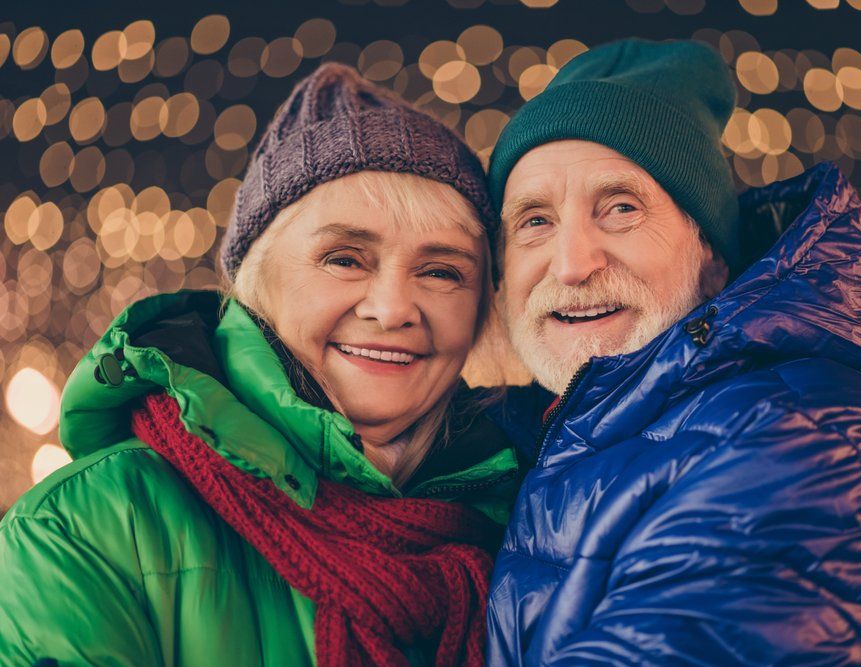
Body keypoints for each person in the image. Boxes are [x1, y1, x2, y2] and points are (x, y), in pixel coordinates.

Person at [484, 39, 861, 665]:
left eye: (620, 209)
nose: (571, 264)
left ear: (712, 255)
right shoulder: (552, 438)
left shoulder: (793, 441)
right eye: (534, 221)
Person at [0, 63, 522, 666]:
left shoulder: (527, 519)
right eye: (345, 258)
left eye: (441, 271)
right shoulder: (84, 532)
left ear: (483, 307)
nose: (393, 308)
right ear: (258, 283)